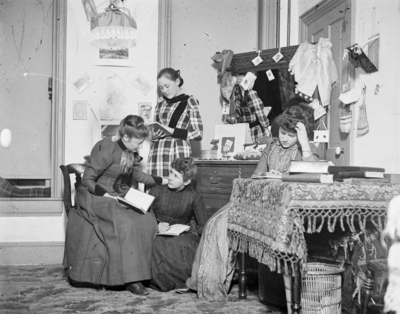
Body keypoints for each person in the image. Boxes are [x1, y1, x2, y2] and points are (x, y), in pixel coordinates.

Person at [185, 103, 320, 301]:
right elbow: (256, 175)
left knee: (221, 225)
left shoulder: (306, 149)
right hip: (257, 202)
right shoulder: (272, 145)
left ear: (299, 135)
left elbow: (313, 175)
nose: (284, 138)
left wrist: (303, 146)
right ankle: (205, 282)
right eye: (282, 132)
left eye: (290, 136)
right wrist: (268, 176)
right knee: (215, 223)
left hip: (282, 209)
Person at [63, 115, 167, 296]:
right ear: (125, 138)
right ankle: (131, 280)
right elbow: (87, 180)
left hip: (118, 194)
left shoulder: (128, 153)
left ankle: (142, 274)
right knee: (124, 223)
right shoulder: (107, 149)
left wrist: (162, 180)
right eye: (138, 142)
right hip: (96, 194)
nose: (140, 146)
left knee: (146, 219)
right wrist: (107, 195)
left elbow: (139, 177)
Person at [149, 157, 207, 292]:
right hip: (158, 233)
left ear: (186, 181)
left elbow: (204, 225)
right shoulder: (156, 190)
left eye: (175, 176)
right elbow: (144, 215)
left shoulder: (194, 196)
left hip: (182, 234)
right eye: (170, 173)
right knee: (158, 247)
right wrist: (155, 226)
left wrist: (190, 228)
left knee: (182, 248)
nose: (169, 178)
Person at [147, 68, 203, 178]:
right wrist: (154, 135)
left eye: (167, 86)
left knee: (177, 188)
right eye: (161, 87)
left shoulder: (189, 101)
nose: (164, 90)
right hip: (158, 152)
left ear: (177, 81)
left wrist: (172, 131)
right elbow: (155, 130)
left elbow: (199, 134)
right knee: (156, 189)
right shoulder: (160, 102)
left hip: (178, 151)